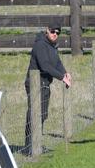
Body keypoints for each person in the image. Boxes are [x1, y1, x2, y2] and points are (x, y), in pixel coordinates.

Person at [24, 24, 72, 155]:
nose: (55, 34)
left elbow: (56, 62)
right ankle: (29, 147)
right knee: (34, 114)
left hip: (45, 83)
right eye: (52, 31)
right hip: (35, 83)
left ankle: (36, 144)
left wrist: (65, 72)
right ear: (47, 31)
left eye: (57, 32)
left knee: (42, 114)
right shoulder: (40, 45)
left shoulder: (52, 45)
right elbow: (45, 66)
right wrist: (61, 77)